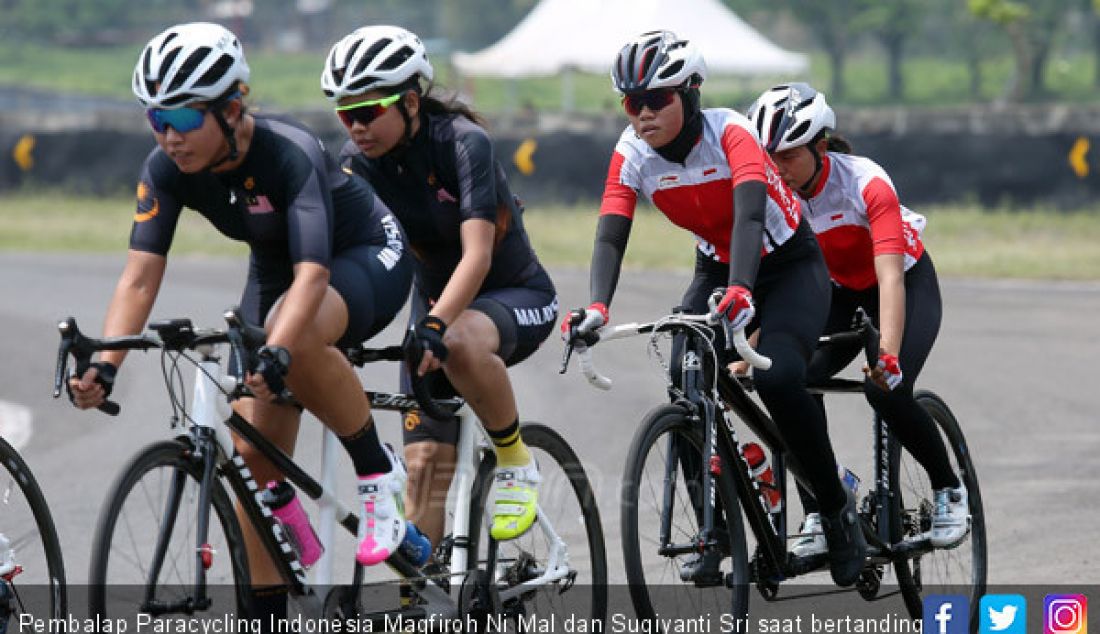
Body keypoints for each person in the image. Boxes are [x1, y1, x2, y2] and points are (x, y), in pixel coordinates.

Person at [66, 22, 415, 618]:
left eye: (180, 119)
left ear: (232, 109)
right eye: (156, 119)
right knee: (249, 455)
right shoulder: (166, 166)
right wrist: (107, 361)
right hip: (278, 274)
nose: (168, 137)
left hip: (361, 257)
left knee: (293, 336)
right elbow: (140, 276)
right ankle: (275, 562)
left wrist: (279, 348)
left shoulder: (289, 151)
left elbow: (311, 277)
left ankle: (378, 475)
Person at [565, 30, 865, 587]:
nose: (644, 113)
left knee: (780, 380)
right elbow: (610, 236)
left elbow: (751, 217)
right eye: (633, 102)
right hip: (716, 268)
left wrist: (745, 288)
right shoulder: (631, 153)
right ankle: (717, 530)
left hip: (787, 263)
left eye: (658, 99)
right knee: (686, 378)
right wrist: (598, 307)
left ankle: (835, 507)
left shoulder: (732, 133)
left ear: (692, 92)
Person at [321, 26, 558, 549]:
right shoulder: (354, 163)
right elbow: (357, 255)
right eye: (344, 114)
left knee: (458, 342)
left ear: (409, 102)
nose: (355, 127)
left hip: (514, 296)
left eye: (366, 112)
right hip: (433, 311)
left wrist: (432, 323)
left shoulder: (462, 142)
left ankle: (516, 461)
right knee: (424, 467)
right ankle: (420, 605)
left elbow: (477, 255)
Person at [747, 83, 970, 553]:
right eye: (768, 158)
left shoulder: (864, 182)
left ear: (820, 146)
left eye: (787, 156)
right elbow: (777, 278)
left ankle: (948, 487)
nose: (777, 168)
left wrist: (887, 355)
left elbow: (889, 276)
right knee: (790, 378)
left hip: (903, 284)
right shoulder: (767, 192)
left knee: (884, 389)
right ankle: (824, 503)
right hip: (838, 292)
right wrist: (754, 342)